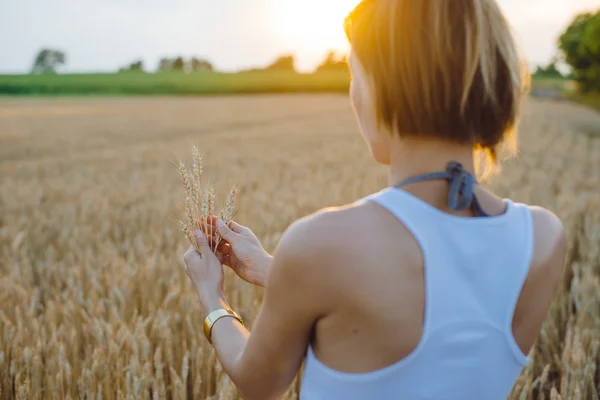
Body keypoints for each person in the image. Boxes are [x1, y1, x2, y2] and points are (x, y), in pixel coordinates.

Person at [182, 0, 568, 399]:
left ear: (384, 87)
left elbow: (258, 382)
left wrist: (213, 294)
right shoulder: (542, 238)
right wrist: (274, 271)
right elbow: (442, 309)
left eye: (355, 73)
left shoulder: (323, 243)